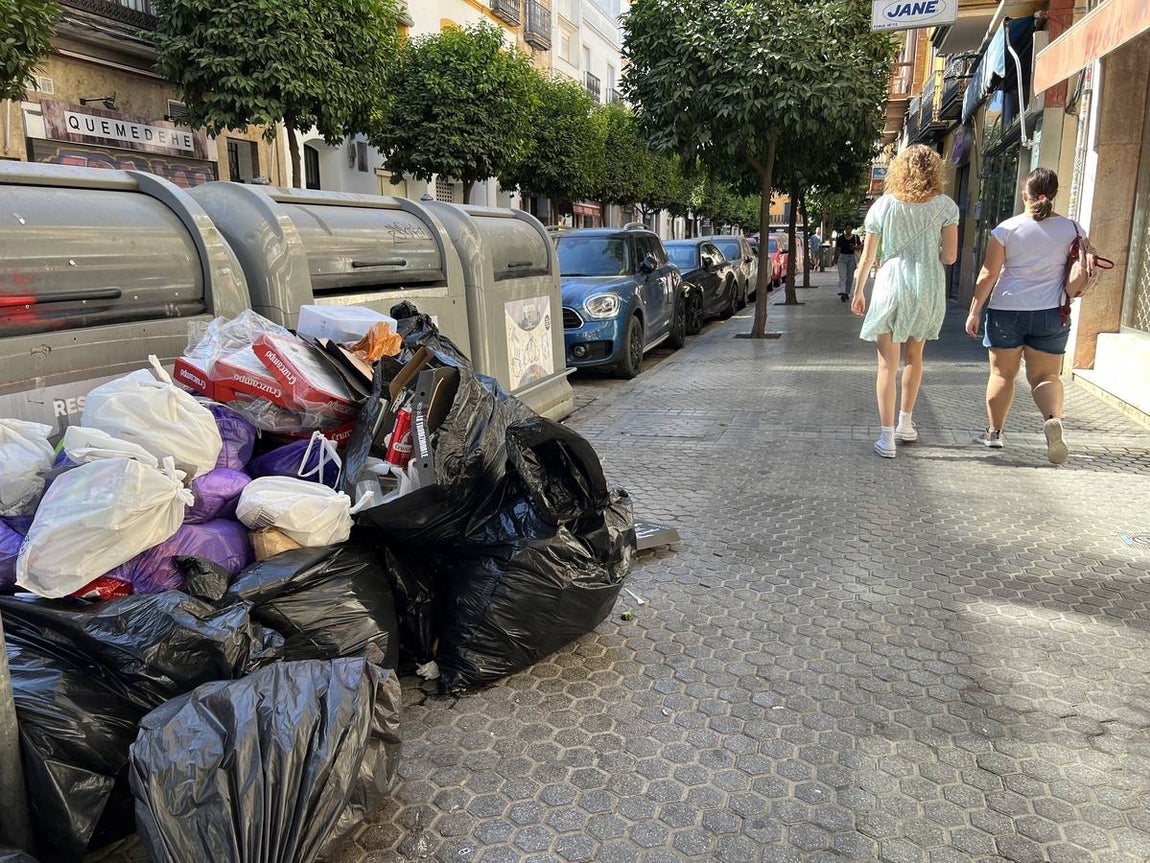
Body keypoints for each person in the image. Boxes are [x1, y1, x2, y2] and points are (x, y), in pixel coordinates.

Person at [964, 167, 1092, 465]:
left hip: (1006, 311)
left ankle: (995, 433)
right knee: (1046, 376)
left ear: (1026, 195)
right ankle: (1051, 420)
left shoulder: (1007, 229)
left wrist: (974, 310)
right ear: (1054, 195)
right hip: (1051, 312)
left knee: (1002, 374)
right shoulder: (1073, 229)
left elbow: (988, 274)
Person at [851, 145, 959, 458]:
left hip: (890, 282)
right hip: (925, 283)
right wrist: (929, 252)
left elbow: (869, 257)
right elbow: (950, 256)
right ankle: (906, 424)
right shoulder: (946, 206)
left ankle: (886, 438)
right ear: (934, 171)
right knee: (915, 357)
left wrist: (858, 292)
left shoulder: (883, 206)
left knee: (887, 363)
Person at [833, 226, 859, 301]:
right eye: (847, 228)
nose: (848, 230)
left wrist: (855, 247)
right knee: (842, 276)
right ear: (845, 229)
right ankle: (842, 292)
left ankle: (847, 292)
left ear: (852, 229)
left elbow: (860, 246)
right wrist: (835, 258)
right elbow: (837, 248)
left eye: (850, 228)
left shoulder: (855, 237)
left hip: (852, 258)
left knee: (850, 277)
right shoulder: (841, 238)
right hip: (842, 258)